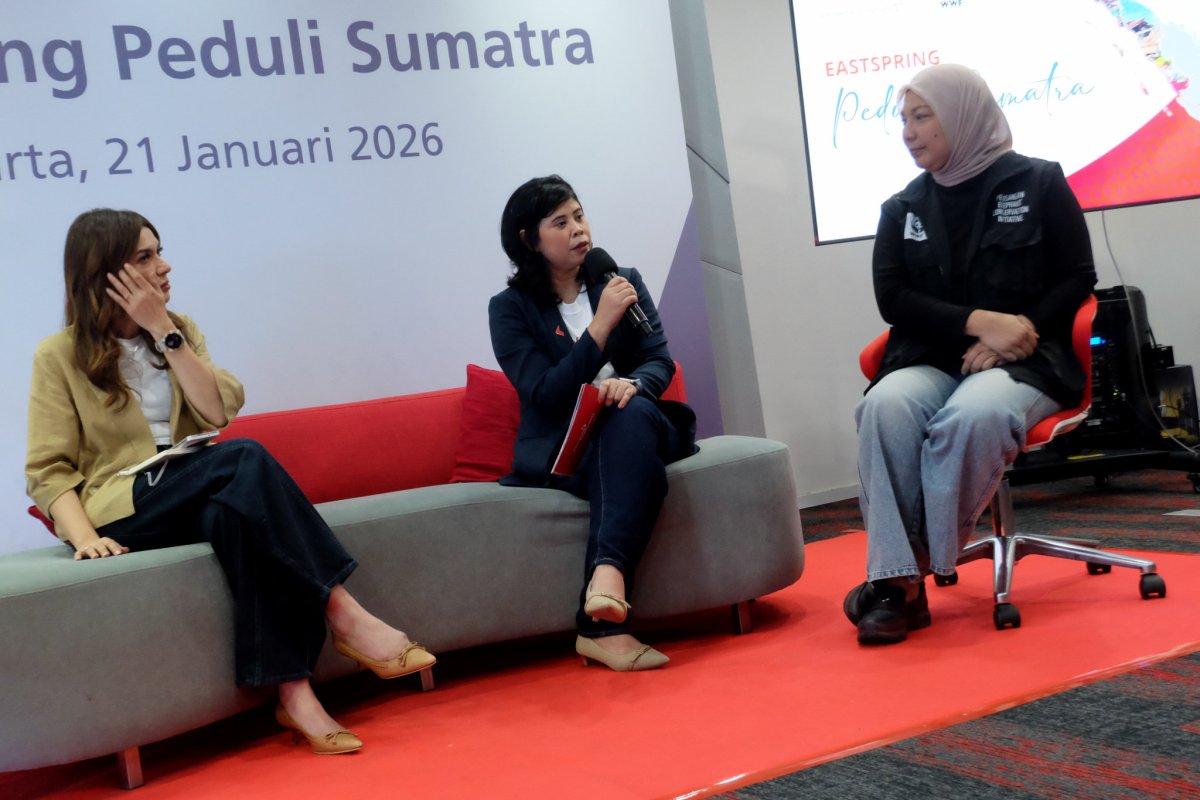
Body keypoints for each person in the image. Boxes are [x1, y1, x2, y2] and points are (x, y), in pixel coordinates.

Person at [25, 209, 436, 754]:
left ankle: (294, 694)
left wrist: (164, 332)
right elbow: (48, 468)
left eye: (160, 251)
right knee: (244, 456)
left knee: (232, 514)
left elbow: (216, 411)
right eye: (145, 257)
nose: (164, 266)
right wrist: (84, 538)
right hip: (123, 505)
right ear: (107, 273)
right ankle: (343, 611)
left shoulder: (179, 330)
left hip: (192, 484)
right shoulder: (59, 354)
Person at [848, 64, 1097, 644]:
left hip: (1028, 357)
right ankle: (902, 581)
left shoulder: (1038, 182)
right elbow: (893, 298)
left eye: (922, 116)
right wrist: (982, 324)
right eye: (903, 120)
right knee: (883, 407)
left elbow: (1077, 274)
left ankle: (898, 583)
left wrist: (1023, 329)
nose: (909, 132)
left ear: (962, 115)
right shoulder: (902, 207)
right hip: (933, 356)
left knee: (973, 415)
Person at [489, 175, 697, 671]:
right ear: (529, 240)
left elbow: (658, 359)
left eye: (579, 216)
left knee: (628, 414)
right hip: (568, 445)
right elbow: (544, 394)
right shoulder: (510, 310)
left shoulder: (621, 280)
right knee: (640, 469)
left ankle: (606, 582)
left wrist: (634, 385)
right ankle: (602, 627)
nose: (579, 229)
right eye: (561, 222)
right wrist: (600, 326)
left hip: (637, 419)